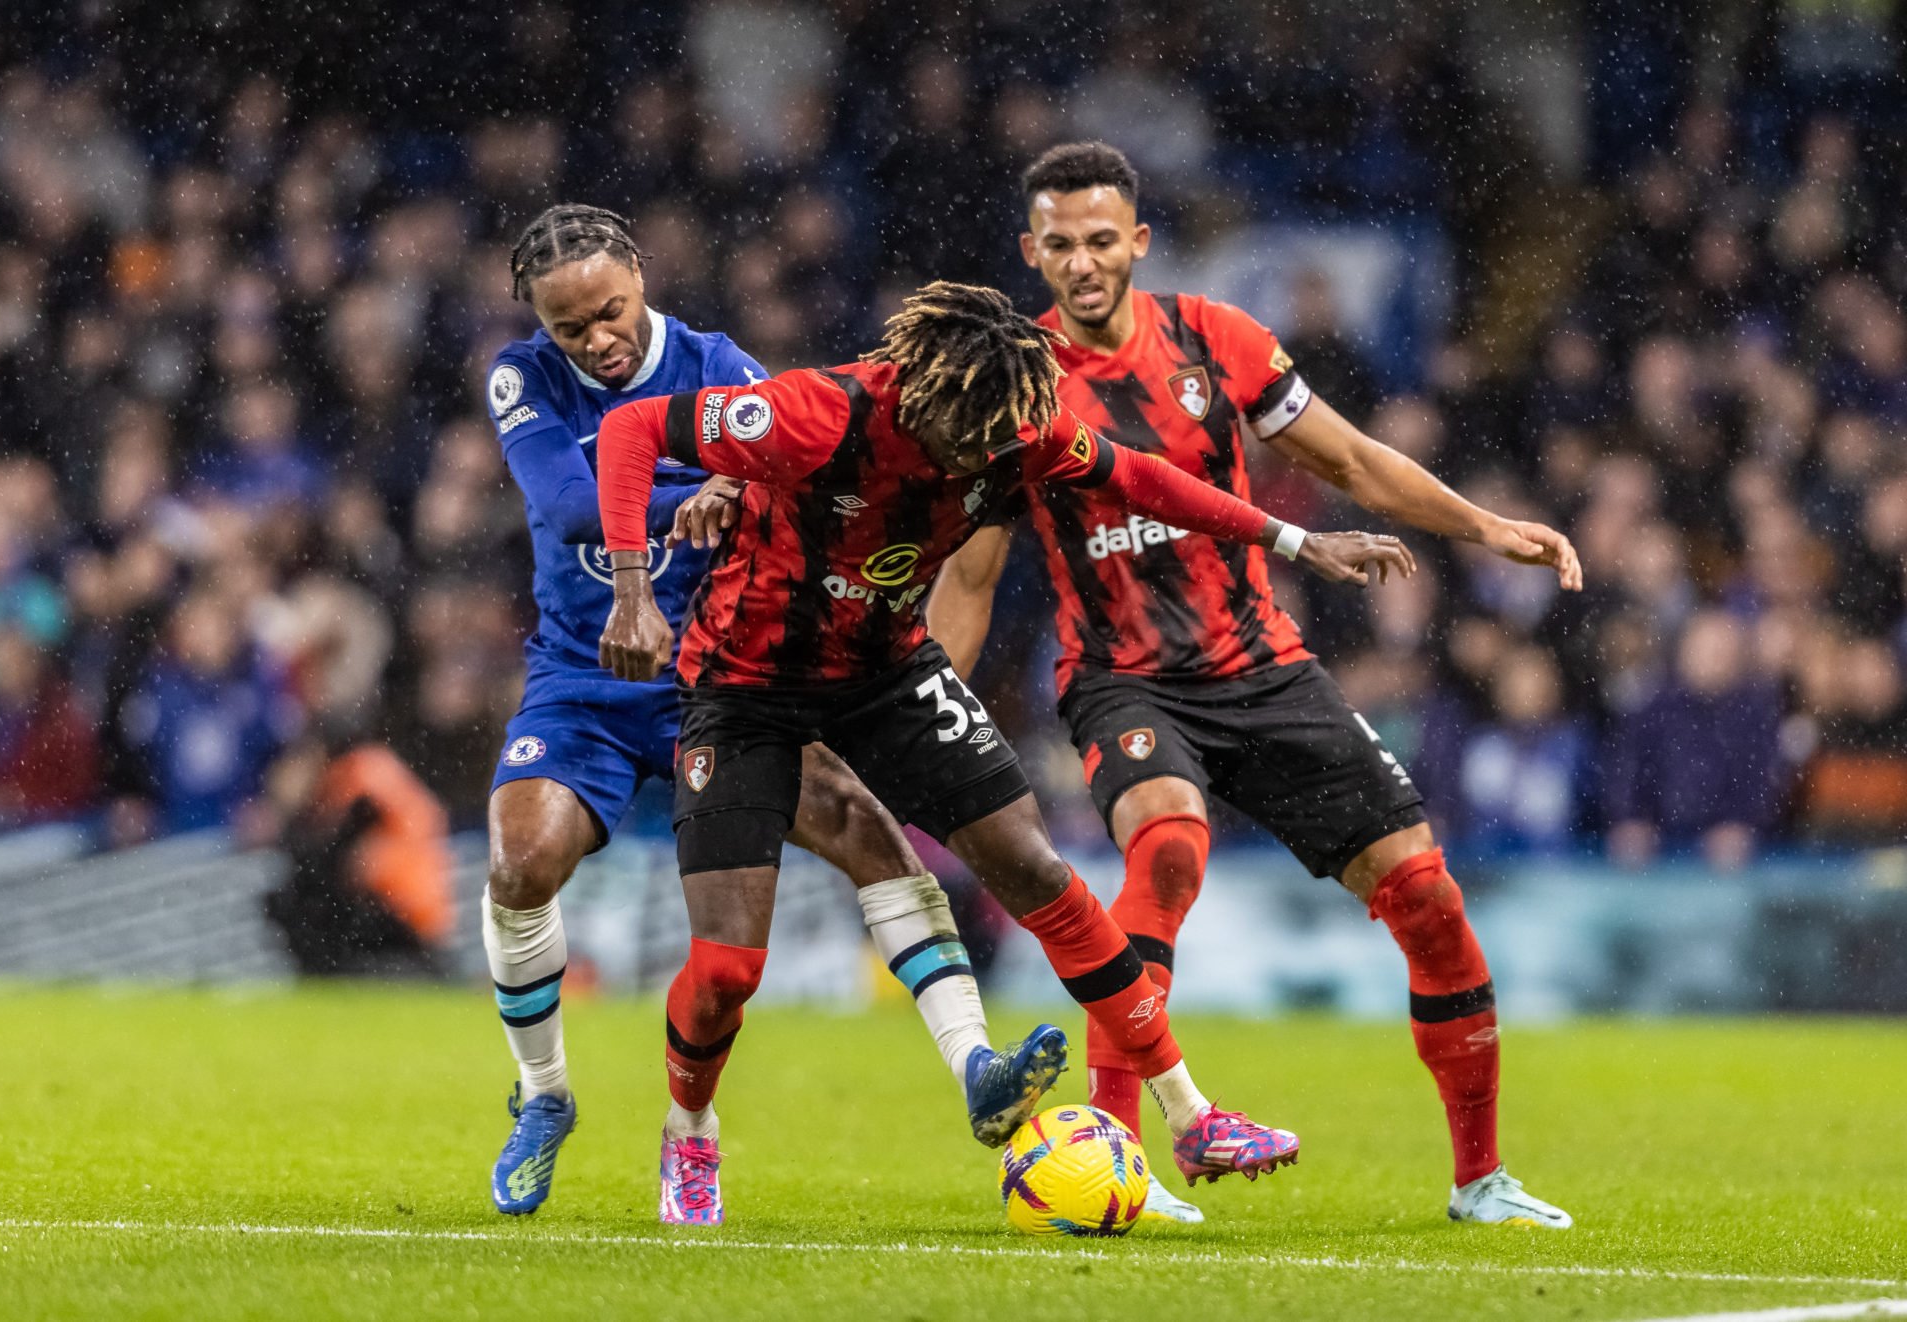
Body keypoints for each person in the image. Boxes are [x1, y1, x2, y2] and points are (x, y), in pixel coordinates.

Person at [596, 279, 1414, 1225]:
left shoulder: (1013, 429)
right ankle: (689, 1130)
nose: (988, 459)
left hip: (886, 671)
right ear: (924, 399)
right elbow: (634, 433)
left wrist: (1295, 542)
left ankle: (1190, 1115)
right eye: (970, 440)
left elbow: (1141, 476)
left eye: (1002, 440)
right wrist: (631, 593)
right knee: (729, 971)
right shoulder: (822, 412)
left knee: (1038, 870)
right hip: (745, 690)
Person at [928, 143, 1582, 1229]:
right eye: (1061, 245)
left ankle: (1481, 1178)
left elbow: (1354, 462)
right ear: (1030, 253)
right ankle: (1117, 1155)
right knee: (1169, 845)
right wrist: (929, 707)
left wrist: (1481, 526)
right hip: (1123, 676)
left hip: (1264, 666)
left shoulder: (1217, 342)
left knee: (1427, 895)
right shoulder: (1019, 386)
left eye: (1102, 241)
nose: (1084, 263)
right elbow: (973, 571)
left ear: (1137, 241)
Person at [482, 205, 1060, 1218]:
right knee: (520, 861)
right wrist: (702, 493)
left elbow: (806, 469)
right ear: (540, 322)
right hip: (585, 674)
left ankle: (976, 1063)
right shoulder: (519, 379)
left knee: (871, 837)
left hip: (723, 672)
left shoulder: (721, 364)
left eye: (611, 312)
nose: (599, 339)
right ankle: (544, 1096)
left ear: (640, 277)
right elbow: (573, 504)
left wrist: (734, 488)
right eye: (571, 328)